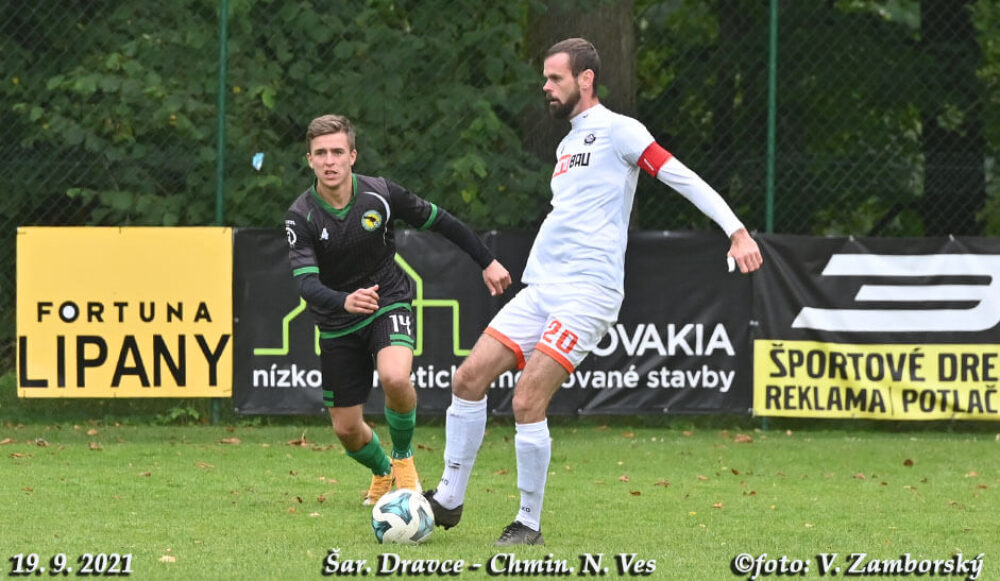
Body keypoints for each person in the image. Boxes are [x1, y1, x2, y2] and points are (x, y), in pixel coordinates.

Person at [423, 38, 763, 545]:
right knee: (468, 379)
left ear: (586, 79)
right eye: (545, 77)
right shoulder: (566, 145)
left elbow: (681, 177)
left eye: (555, 77)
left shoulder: (620, 130)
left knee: (526, 399)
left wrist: (735, 230)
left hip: (589, 291)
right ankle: (448, 500)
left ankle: (528, 523)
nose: (545, 86)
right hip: (542, 287)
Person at [285, 114, 511, 506]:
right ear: (309, 160)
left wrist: (486, 260)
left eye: (338, 151)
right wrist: (343, 301)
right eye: (321, 153)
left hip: (387, 300)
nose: (330, 161)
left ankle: (404, 457)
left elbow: (440, 220)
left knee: (394, 377)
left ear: (353, 156)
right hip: (337, 321)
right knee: (347, 430)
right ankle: (383, 470)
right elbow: (307, 284)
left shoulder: (380, 194)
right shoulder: (301, 215)